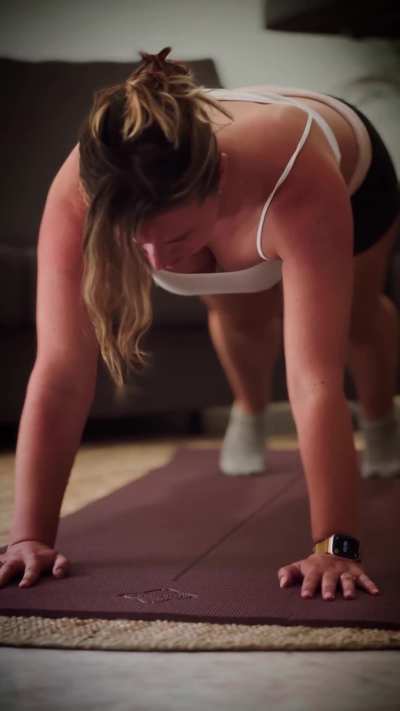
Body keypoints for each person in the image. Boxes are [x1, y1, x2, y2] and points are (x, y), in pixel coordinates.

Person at [0, 47, 399, 602]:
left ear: (220, 187)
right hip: (196, 169)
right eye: (138, 245)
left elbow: (315, 380)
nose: (159, 265)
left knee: (354, 317)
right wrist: (29, 537)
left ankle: (382, 425)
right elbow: (62, 370)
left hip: (350, 164)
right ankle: (249, 412)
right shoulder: (82, 188)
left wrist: (337, 548)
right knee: (236, 310)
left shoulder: (295, 176)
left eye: (177, 240)